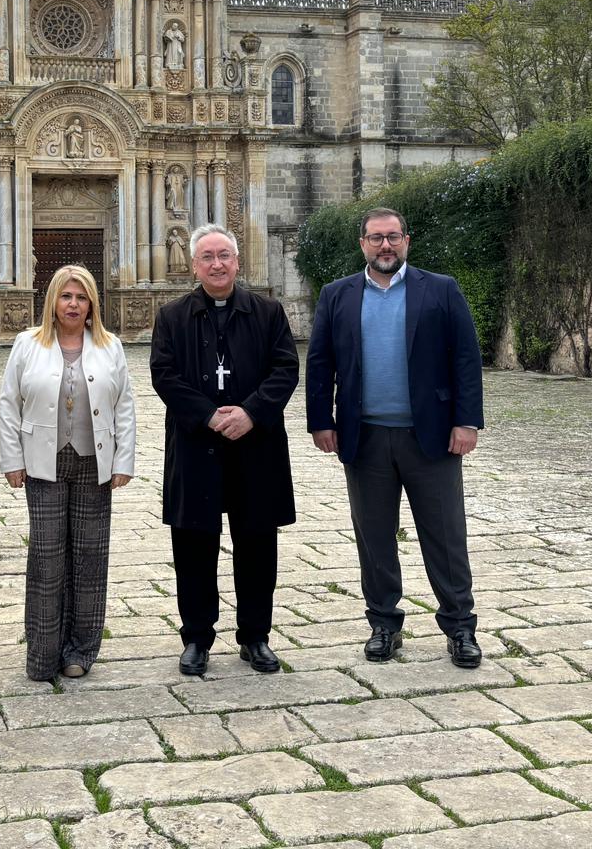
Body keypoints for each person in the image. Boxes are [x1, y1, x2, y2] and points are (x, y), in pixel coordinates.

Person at [305, 207, 485, 669]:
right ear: (362, 243)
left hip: (432, 438)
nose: (385, 246)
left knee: (445, 535)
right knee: (375, 537)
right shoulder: (337, 294)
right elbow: (320, 362)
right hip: (364, 438)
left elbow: (466, 358)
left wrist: (467, 422)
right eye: (375, 238)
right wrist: (320, 421)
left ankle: (460, 627)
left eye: (393, 237)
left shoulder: (440, 290)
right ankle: (384, 624)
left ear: (407, 239)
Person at [151, 223, 299, 676]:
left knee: (257, 543)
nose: (217, 264)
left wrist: (251, 412)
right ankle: (197, 637)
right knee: (193, 544)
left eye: (224, 256)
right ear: (194, 265)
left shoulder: (268, 311)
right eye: (208, 257)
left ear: (237, 261)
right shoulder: (172, 316)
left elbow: (285, 367)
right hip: (198, 445)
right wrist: (210, 415)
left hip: (255, 445)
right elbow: (164, 374)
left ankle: (255, 636)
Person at [0, 264, 136, 681]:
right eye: (66, 296)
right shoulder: (26, 344)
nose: (73, 304)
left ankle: (81, 649)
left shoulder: (110, 346)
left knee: (91, 557)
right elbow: (9, 404)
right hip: (43, 463)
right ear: (52, 301)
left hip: (95, 460)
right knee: (46, 556)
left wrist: (123, 461)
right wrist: (12, 460)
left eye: (81, 297)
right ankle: (42, 654)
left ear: (92, 302)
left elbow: (125, 406)